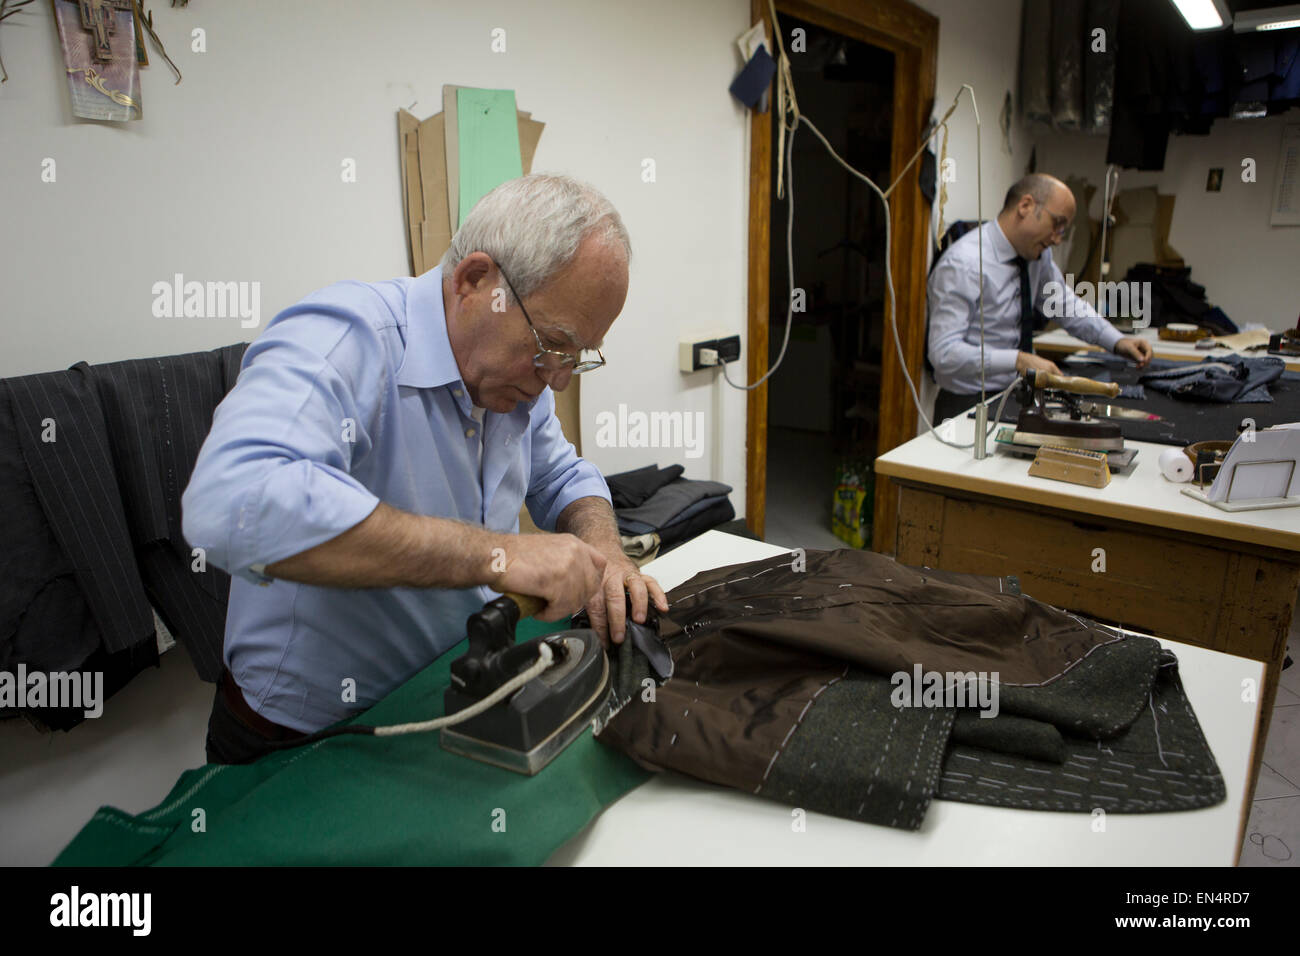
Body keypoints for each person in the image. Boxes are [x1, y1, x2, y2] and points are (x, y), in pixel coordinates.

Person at [182, 173, 668, 764]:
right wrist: (501, 555)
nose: (558, 379)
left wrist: (607, 551)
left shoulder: (515, 382)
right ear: (474, 280)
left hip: (441, 699)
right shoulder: (346, 338)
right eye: (551, 344)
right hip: (302, 736)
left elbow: (562, 476)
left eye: (576, 357)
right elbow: (233, 503)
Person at [926, 172, 1153, 423]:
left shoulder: (1036, 257)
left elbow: (1064, 305)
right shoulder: (964, 264)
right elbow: (943, 353)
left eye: (1063, 230)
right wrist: (1017, 359)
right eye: (1057, 223)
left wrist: (1117, 341)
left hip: (1016, 394)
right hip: (966, 403)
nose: (1057, 239)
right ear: (1025, 206)